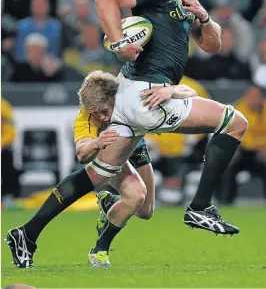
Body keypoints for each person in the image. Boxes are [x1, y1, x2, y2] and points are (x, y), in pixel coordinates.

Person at [88, 0, 248, 252]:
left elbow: (212, 46)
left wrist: (204, 16)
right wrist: (119, 43)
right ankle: (200, 206)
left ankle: (96, 239)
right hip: (146, 90)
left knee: (142, 206)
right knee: (234, 121)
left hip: (148, 93)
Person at [5, 70, 198, 268]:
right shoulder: (87, 117)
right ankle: (99, 249)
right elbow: (82, 154)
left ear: (115, 97)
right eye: (96, 113)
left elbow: (191, 93)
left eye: (105, 111)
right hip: (108, 149)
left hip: (137, 145)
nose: (103, 118)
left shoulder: (131, 92)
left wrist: (171, 90)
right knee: (136, 195)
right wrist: (97, 143)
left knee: (145, 211)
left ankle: (110, 203)